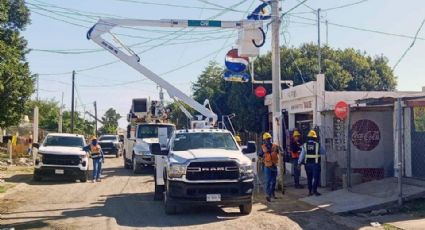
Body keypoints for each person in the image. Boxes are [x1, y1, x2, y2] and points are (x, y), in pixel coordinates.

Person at [298, 130, 326, 196]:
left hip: (307, 165)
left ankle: (310, 192)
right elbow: (323, 152)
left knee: (309, 178)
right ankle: (315, 191)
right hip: (315, 165)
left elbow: (302, 155)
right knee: (316, 178)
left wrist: (299, 163)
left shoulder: (304, 145)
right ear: (315, 138)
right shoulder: (318, 145)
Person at [259, 132, 279, 202]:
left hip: (274, 166)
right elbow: (260, 155)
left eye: (268, 139)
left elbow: (280, 152)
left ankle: (272, 193)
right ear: (264, 140)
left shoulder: (275, 146)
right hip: (267, 166)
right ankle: (268, 195)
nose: (268, 140)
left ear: (270, 139)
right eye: (266, 139)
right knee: (268, 181)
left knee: (273, 181)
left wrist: (280, 150)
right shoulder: (263, 147)